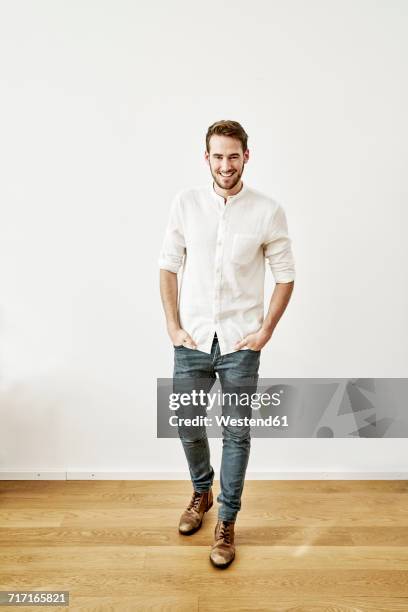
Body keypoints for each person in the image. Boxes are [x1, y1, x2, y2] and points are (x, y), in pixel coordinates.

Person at [159, 119, 295, 568]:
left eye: (233, 156)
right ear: (207, 158)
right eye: (217, 156)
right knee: (186, 423)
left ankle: (228, 522)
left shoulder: (267, 211)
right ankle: (203, 491)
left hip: (240, 343)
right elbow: (168, 267)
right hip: (193, 338)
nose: (225, 165)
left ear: (246, 157)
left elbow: (285, 276)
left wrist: (265, 332)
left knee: (236, 433)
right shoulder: (186, 204)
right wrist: (173, 326)